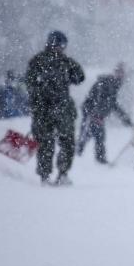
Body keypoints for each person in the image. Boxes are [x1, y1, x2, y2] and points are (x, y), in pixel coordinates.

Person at [25, 30, 85, 185]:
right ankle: (56, 174)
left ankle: (52, 175)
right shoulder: (59, 61)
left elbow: (79, 77)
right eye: (60, 45)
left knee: (52, 142)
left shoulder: (39, 61)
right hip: (54, 109)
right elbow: (79, 77)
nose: (60, 48)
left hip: (49, 109)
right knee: (59, 142)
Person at [77, 64, 134, 164]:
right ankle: (93, 156)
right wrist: (96, 115)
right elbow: (98, 100)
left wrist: (125, 118)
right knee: (97, 135)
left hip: (96, 113)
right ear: (115, 73)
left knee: (91, 134)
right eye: (119, 73)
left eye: (122, 74)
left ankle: (80, 151)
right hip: (91, 112)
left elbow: (113, 104)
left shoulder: (115, 84)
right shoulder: (107, 83)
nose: (120, 75)